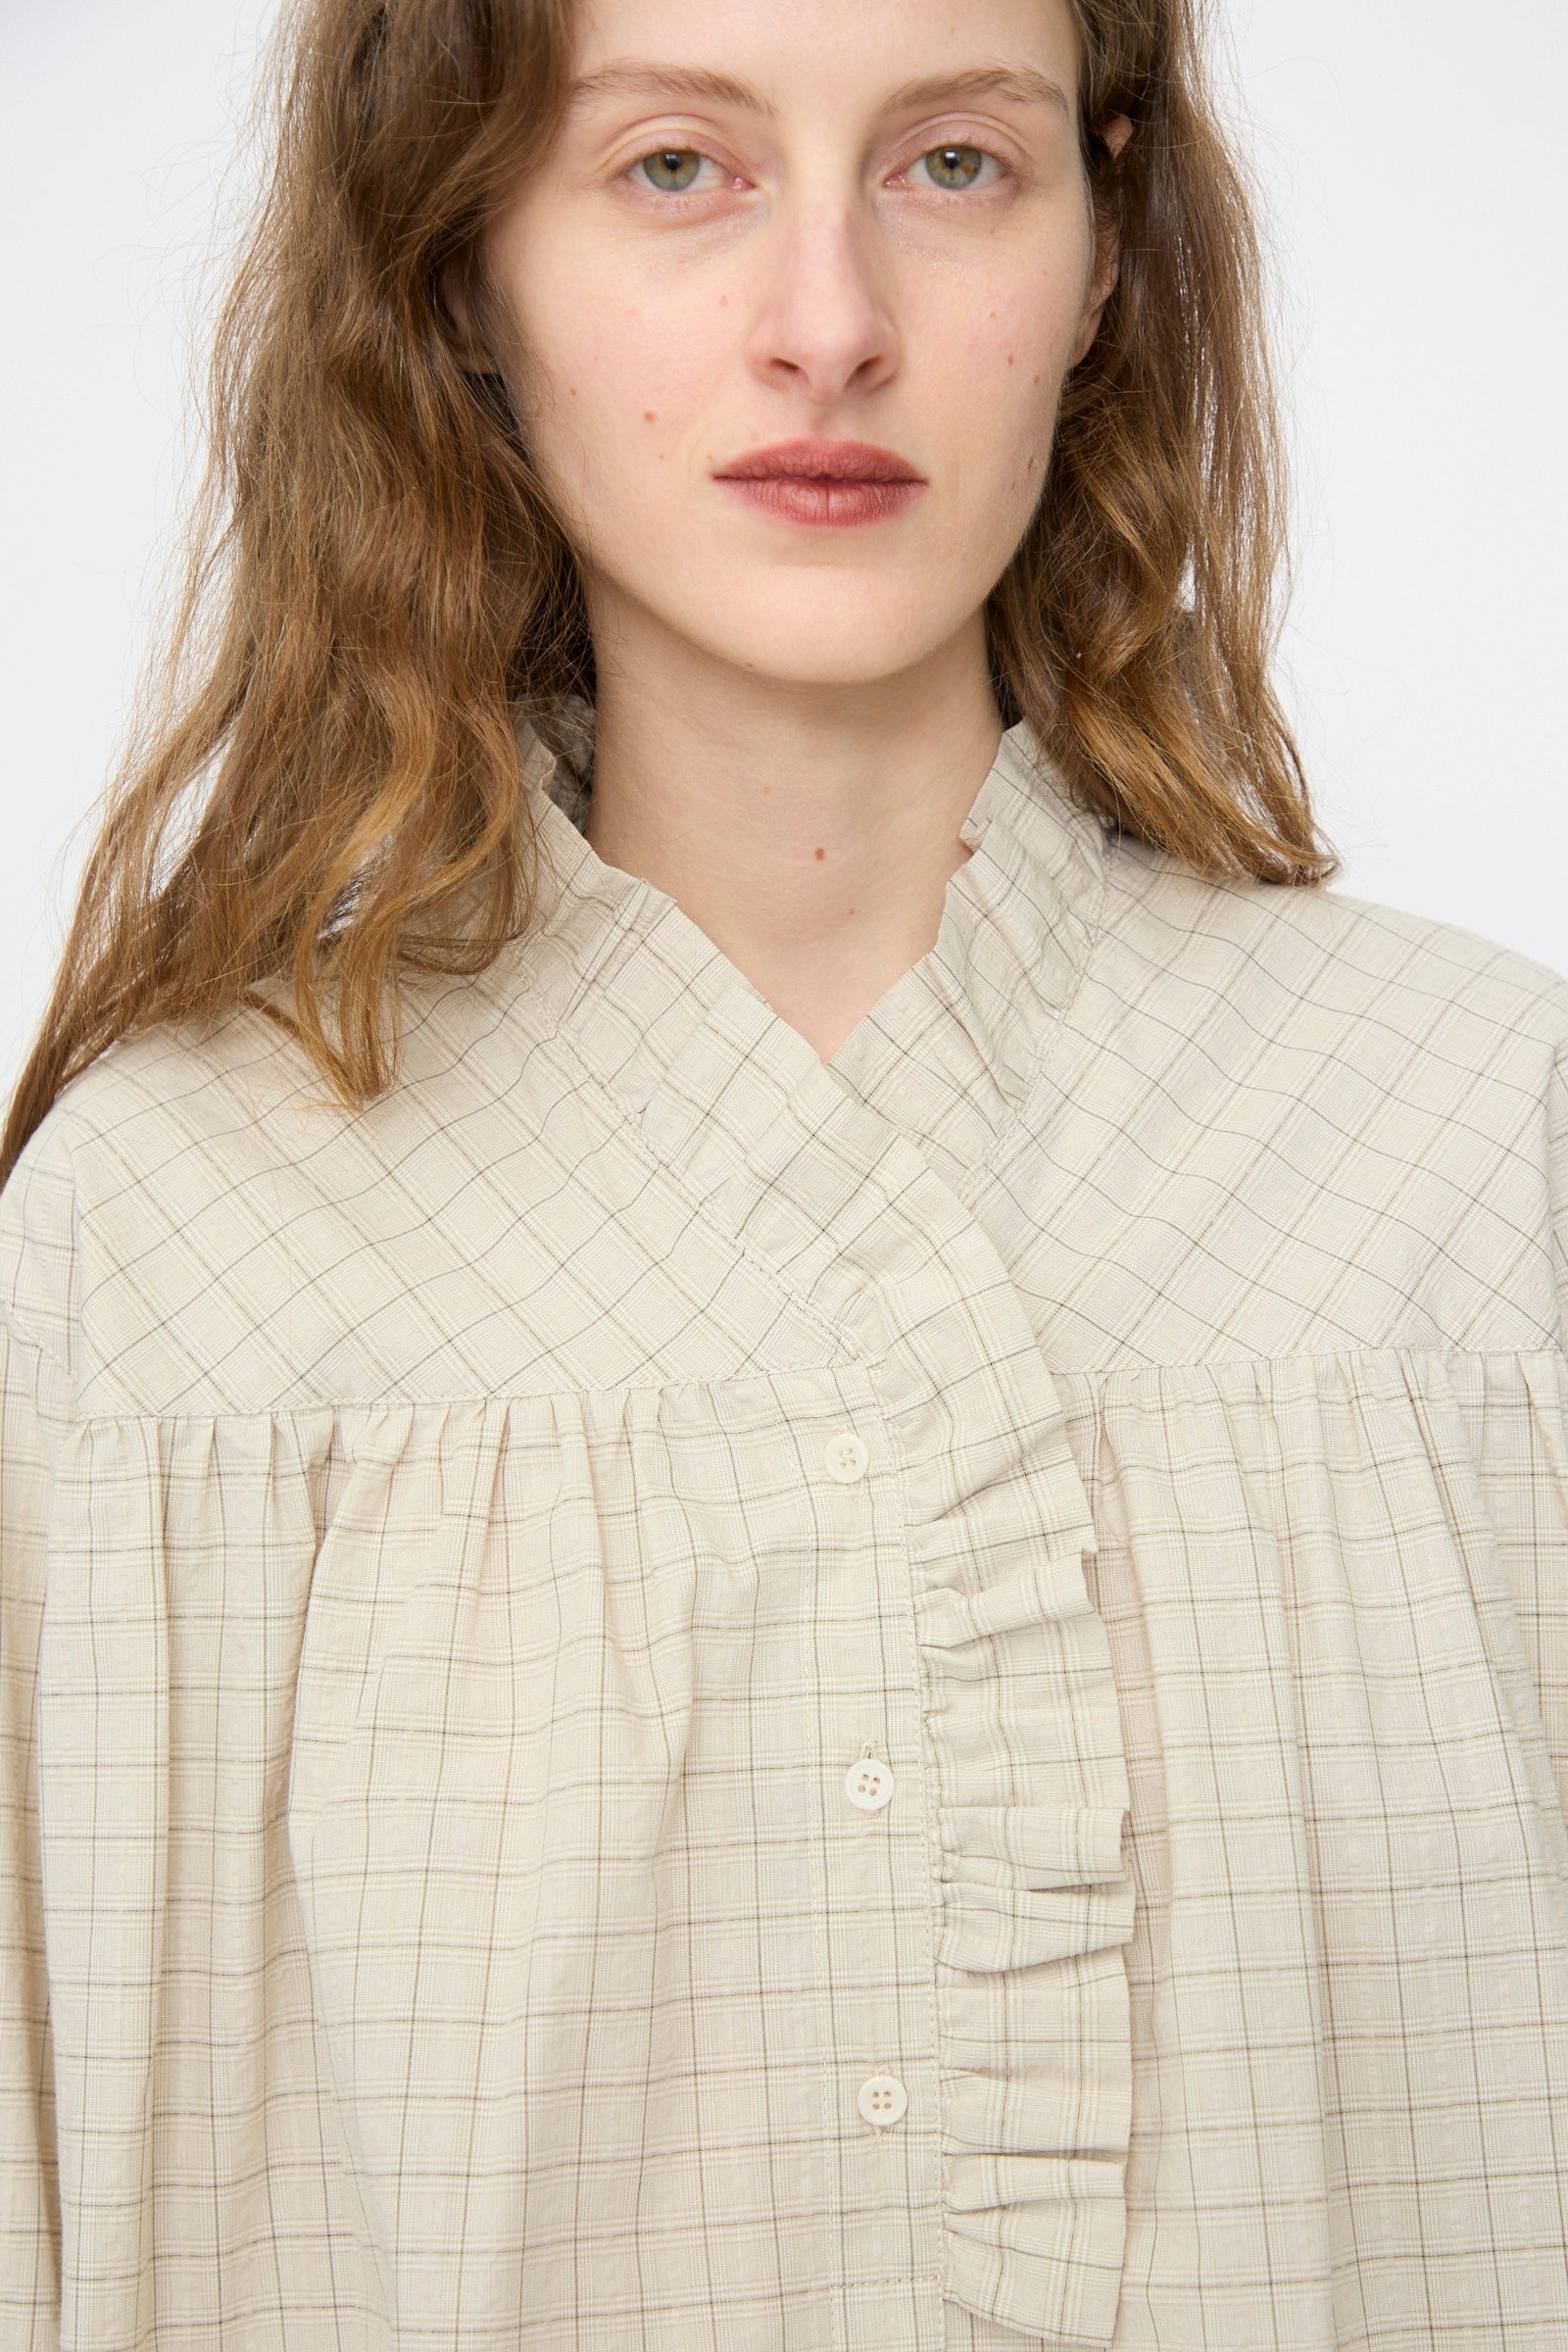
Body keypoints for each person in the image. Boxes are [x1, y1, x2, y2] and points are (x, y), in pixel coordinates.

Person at [2, 0, 1565, 2343]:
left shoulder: (1482, 1156)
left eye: (950, 167)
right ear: (459, 275)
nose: (826, 327)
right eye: (671, 170)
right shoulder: (153, 1265)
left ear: (1106, 245)